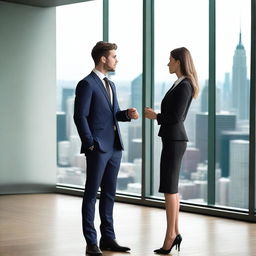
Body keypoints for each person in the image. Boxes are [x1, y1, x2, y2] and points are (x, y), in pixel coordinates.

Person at [74, 41, 139, 256]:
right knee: (91, 194)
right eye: (113, 56)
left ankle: (108, 239)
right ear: (103, 58)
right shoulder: (87, 83)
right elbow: (80, 116)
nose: (116, 60)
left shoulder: (110, 85)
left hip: (114, 148)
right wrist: (90, 143)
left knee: (109, 194)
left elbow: (114, 113)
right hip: (98, 148)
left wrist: (126, 114)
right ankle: (91, 242)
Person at [144, 47, 199, 254]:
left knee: (169, 188)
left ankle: (170, 236)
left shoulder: (184, 85)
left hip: (175, 140)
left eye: (170, 60)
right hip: (172, 139)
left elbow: (176, 118)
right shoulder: (180, 83)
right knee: (171, 189)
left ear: (178, 61)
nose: (167, 63)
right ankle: (174, 232)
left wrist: (155, 116)